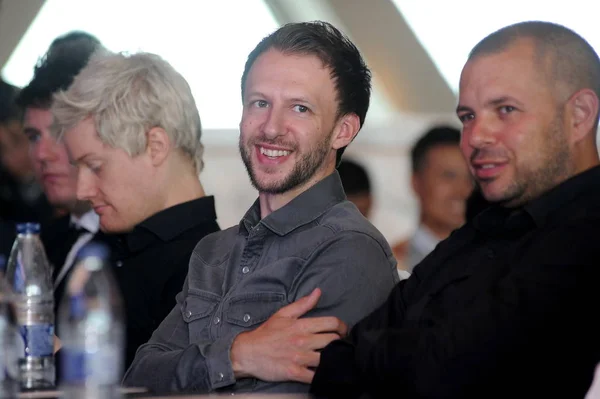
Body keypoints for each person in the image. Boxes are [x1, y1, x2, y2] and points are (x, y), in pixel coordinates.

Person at [310, 21, 600, 398]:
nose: (476, 137)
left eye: (506, 109)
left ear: (579, 115)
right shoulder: (482, 228)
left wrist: (371, 357)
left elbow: (452, 369)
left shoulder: (586, 232)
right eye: (468, 117)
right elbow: (341, 357)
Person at [123, 21, 398, 395]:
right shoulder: (212, 252)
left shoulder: (350, 251)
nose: (271, 127)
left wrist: (197, 367)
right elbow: (137, 380)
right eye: (260, 103)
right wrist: (239, 356)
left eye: (300, 108)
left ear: (343, 130)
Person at [50, 48, 220, 370]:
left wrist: (52, 355)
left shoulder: (206, 271)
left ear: (155, 146)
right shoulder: (108, 244)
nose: (82, 190)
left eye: (96, 166)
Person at [14, 31, 108, 317]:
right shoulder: (47, 238)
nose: (42, 154)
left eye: (58, 133)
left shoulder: (137, 246)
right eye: (33, 136)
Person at [394, 125, 473, 272]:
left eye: (471, 178)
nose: (463, 190)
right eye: (449, 176)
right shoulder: (391, 266)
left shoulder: (494, 263)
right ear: (416, 182)